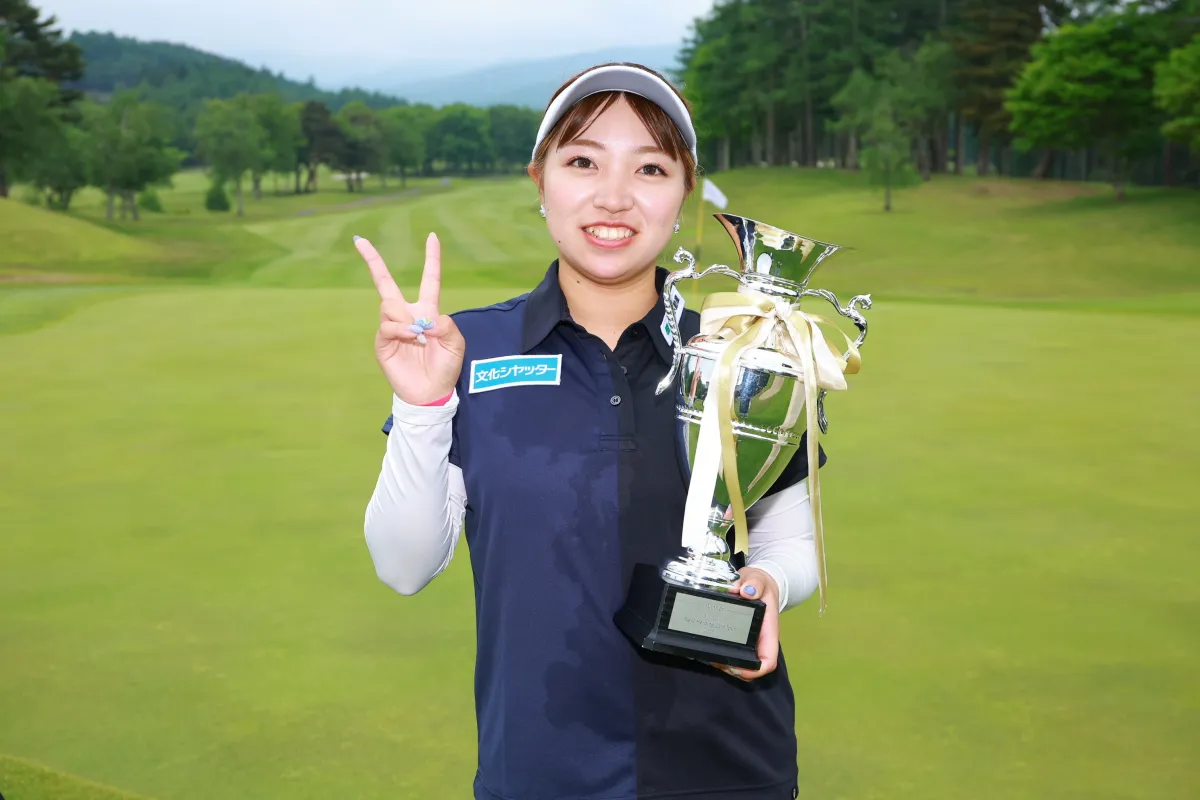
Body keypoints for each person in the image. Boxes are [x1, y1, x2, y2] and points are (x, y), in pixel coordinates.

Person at [358, 62, 822, 800]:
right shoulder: (465, 351)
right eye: (583, 162)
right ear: (540, 180)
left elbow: (791, 544)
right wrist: (422, 405)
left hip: (729, 772)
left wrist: (769, 583)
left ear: (685, 192)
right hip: (538, 773)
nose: (614, 196)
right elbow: (403, 566)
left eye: (650, 168)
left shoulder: (747, 357)